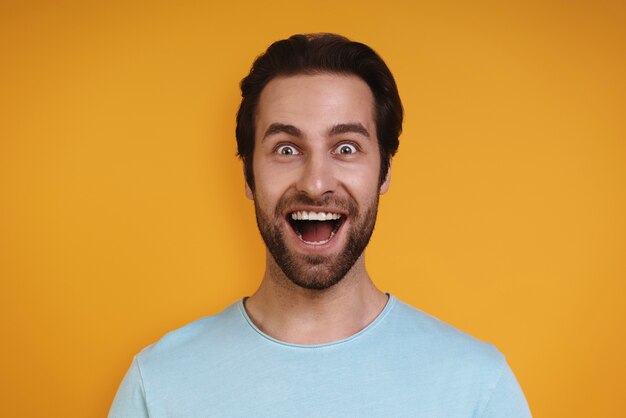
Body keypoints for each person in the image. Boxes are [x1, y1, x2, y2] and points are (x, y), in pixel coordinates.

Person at [109, 33, 532, 417]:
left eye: (346, 148)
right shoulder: (159, 384)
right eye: (287, 149)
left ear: (384, 172)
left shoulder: (477, 388)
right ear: (248, 177)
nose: (315, 183)